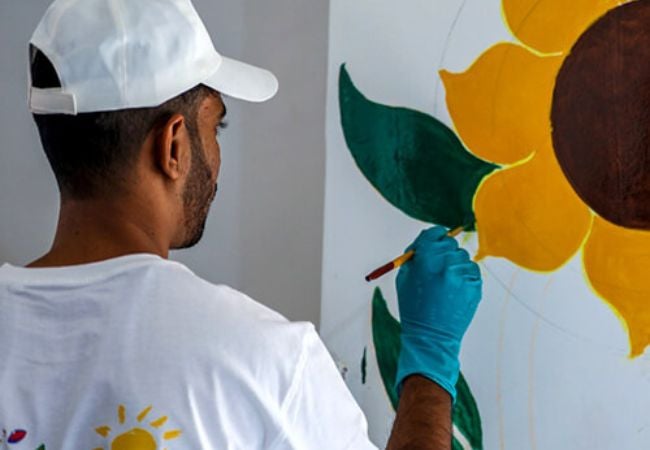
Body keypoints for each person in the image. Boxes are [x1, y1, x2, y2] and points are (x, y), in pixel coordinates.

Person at [0, 0, 482, 449]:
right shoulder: (262, 362)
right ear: (173, 146)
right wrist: (430, 361)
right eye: (216, 127)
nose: (216, 154)